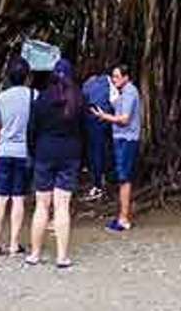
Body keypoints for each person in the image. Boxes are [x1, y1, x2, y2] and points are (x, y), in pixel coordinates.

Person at [26, 58, 83, 267]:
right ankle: (62, 257)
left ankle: (35, 254)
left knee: (42, 205)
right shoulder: (78, 98)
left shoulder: (41, 98)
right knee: (62, 206)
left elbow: (32, 129)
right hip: (70, 154)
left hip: (44, 152)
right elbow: (84, 130)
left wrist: (34, 151)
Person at [0, 56, 32, 256]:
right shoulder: (34, 96)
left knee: (1, 198)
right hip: (24, 153)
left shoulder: (1, 98)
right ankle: (14, 244)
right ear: (27, 76)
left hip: (4, 152)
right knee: (18, 199)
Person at [89, 63, 140, 232]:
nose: (114, 79)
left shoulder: (130, 92)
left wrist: (104, 116)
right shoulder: (123, 93)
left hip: (127, 139)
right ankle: (122, 215)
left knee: (124, 179)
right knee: (122, 178)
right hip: (121, 139)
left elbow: (124, 119)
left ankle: (124, 219)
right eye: (113, 76)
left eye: (117, 76)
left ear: (126, 77)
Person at [81, 67, 114, 201]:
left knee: (95, 153)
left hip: (91, 123)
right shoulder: (110, 83)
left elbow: (84, 101)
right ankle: (103, 183)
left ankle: (98, 185)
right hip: (106, 122)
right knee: (104, 152)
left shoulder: (88, 83)